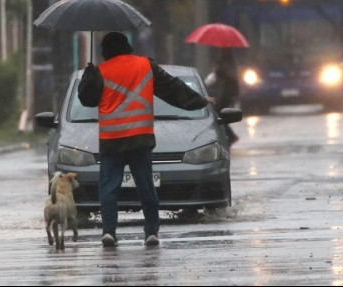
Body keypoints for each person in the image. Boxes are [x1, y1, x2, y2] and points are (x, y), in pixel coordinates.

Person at [78, 31, 212, 248]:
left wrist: (89, 75)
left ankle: (109, 232)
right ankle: (151, 232)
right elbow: (172, 88)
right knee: (146, 186)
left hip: (112, 139)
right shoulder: (145, 66)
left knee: (108, 188)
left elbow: (86, 100)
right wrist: (199, 101)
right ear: (127, 46)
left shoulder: (101, 71)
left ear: (105, 51)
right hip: (140, 138)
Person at [204, 47, 240, 145]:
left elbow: (224, 75)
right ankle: (229, 135)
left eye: (224, 50)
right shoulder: (225, 61)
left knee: (219, 115)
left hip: (225, 94)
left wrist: (218, 69)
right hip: (225, 93)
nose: (222, 51)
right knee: (219, 114)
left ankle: (231, 136)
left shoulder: (228, 62)